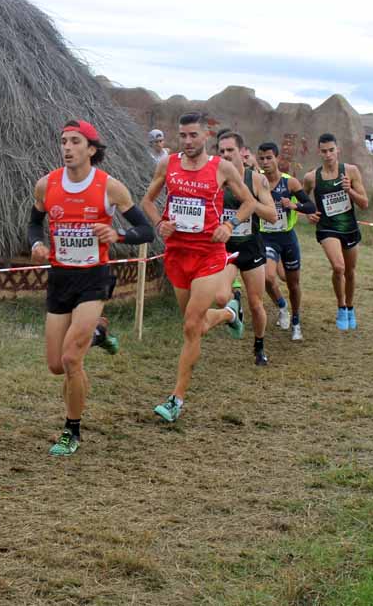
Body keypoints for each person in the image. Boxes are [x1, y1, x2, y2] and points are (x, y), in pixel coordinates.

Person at [29, 120, 154, 455]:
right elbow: (33, 223)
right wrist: (36, 244)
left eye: (75, 142)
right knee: (55, 365)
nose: (67, 148)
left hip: (93, 278)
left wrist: (119, 235)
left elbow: (146, 230)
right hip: (60, 278)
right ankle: (98, 335)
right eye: (63, 141)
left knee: (71, 359)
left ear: (92, 149)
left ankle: (72, 431)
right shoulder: (47, 184)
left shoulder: (109, 188)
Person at [141, 112, 255, 422]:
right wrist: (160, 222)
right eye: (183, 135)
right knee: (198, 325)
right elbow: (147, 201)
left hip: (208, 253)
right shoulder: (168, 164)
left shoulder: (222, 168)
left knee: (191, 326)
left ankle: (176, 398)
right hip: (177, 253)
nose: (188, 141)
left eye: (194, 135)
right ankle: (229, 313)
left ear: (206, 136)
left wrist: (229, 225)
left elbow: (249, 203)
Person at [216, 132, 278, 365]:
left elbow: (272, 215)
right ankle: (234, 306)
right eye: (221, 151)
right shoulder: (216, 180)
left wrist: (250, 206)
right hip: (227, 249)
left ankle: (259, 346)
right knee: (221, 297)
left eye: (230, 150)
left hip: (252, 248)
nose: (225, 155)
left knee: (257, 304)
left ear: (242, 152)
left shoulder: (256, 180)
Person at [303, 133, 369, 331]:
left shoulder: (350, 171)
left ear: (337, 150)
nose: (328, 154)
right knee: (338, 267)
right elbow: (302, 199)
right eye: (324, 151)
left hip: (348, 227)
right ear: (319, 152)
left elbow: (364, 203)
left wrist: (350, 191)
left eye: (331, 150)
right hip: (327, 228)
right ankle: (340, 306)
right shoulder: (311, 177)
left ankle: (350, 307)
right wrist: (309, 214)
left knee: (349, 271)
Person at [257, 142, 317, 341]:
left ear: (277, 159)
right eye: (262, 158)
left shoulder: (289, 182)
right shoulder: (257, 181)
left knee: (293, 283)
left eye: (269, 158)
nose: (265, 162)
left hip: (287, 237)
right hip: (266, 237)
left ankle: (296, 321)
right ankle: (282, 307)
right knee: (267, 277)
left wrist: (293, 205)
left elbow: (310, 206)